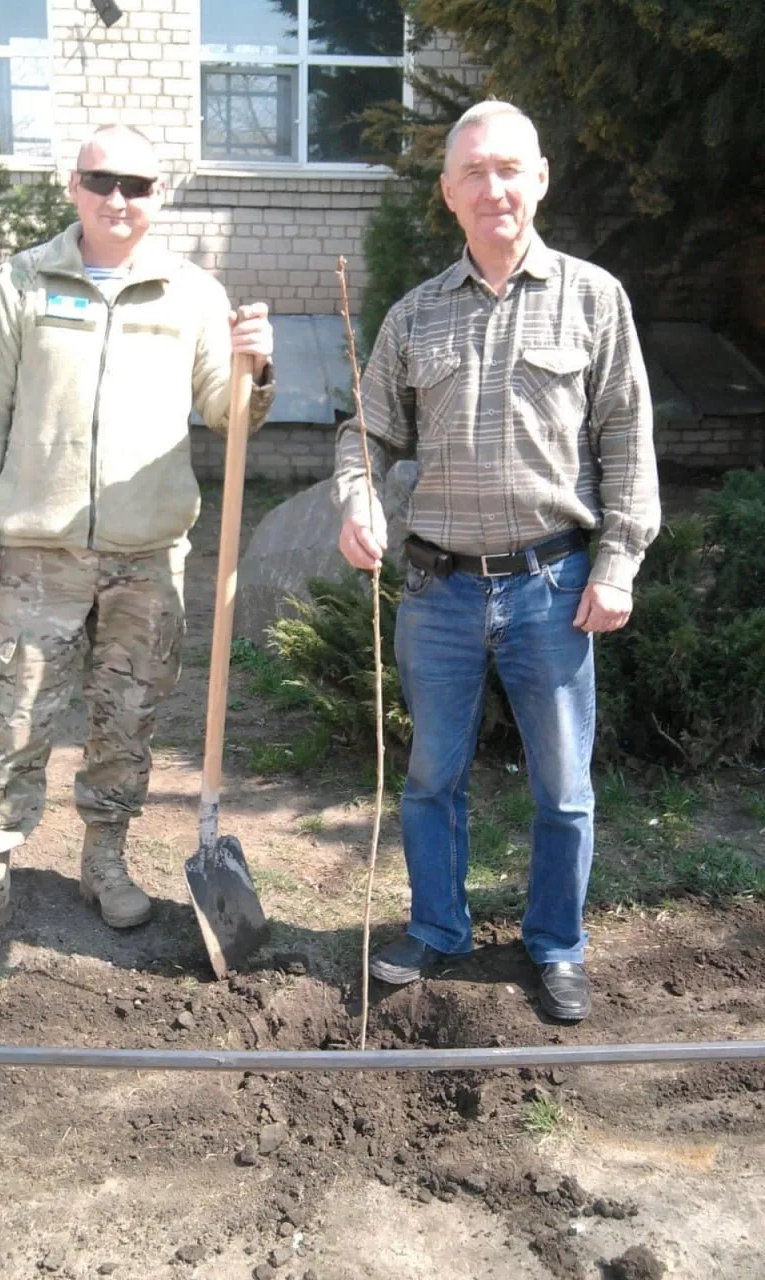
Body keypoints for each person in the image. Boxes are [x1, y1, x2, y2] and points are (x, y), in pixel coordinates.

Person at [333, 101, 660, 1022]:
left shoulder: (594, 299)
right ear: (447, 193)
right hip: (436, 590)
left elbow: (629, 437)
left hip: (554, 588)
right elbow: (366, 437)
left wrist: (618, 561)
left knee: (563, 789)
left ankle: (555, 945)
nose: (493, 188)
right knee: (433, 776)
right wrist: (358, 501)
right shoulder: (413, 315)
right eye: (473, 172)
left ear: (541, 178)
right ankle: (436, 928)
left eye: (509, 168)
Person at [0, 124, 274, 969]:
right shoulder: (24, 281)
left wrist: (256, 372)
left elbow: (230, 416)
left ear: (161, 194)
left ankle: (104, 859)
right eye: (102, 181)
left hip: (146, 558)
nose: (120, 199)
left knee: (126, 726)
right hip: (39, 555)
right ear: (73, 185)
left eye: (139, 185)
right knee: (14, 722)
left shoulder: (192, 293)